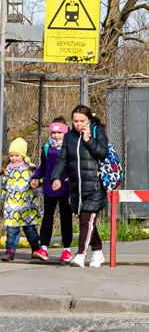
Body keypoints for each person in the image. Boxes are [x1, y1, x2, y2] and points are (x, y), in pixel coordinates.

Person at [59, 105, 110, 268]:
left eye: (82, 121)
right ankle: (97, 250)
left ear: (89, 120)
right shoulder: (69, 137)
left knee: (86, 220)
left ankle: (80, 254)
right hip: (77, 187)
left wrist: (88, 140)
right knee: (86, 221)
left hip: (95, 186)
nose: (78, 124)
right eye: (75, 121)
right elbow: (62, 159)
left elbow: (103, 153)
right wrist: (55, 177)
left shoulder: (97, 132)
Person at [34, 119, 72, 263]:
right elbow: (43, 166)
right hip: (49, 189)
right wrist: (36, 177)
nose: (56, 135)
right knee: (47, 217)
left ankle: (67, 249)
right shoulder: (47, 147)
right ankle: (43, 247)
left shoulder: (70, 147)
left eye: (59, 133)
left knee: (66, 218)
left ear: (65, 132)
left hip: (65, 189)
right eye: (54, 132)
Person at [3, 138, 43, 262]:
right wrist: (4, 197)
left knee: (30, 229)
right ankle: (10, 251)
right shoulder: (7, 170)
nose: (14, 158)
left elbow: (38, 181)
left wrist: (36, 187)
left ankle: (36, 247)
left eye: (16, 155)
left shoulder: (30, 169)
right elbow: (3, 185)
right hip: (12, 205)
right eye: (11, 156)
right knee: (11, 229)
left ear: (23, 155)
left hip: (27, 204)